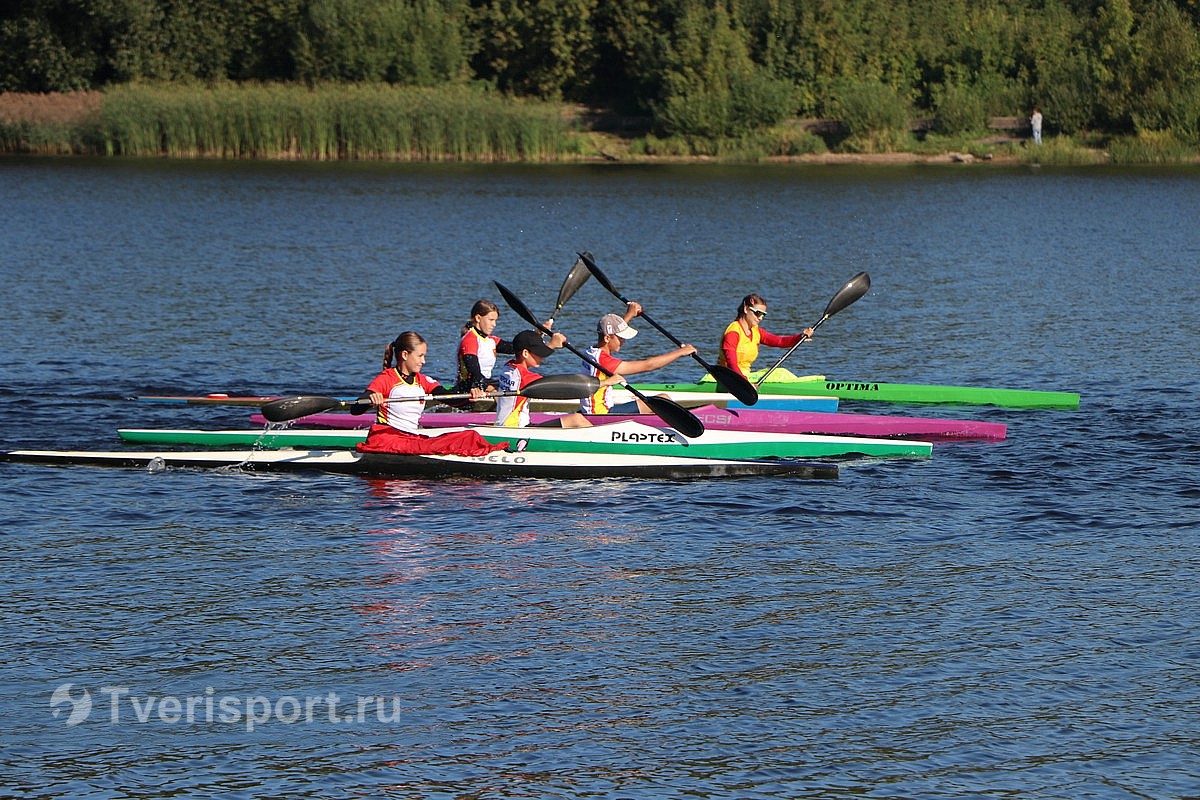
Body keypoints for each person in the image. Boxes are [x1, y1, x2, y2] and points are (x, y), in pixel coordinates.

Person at [356, 331, 509, 456]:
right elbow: (355, 409)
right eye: (420, 356)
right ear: (404, 355)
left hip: (411, 439)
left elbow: (451, 399)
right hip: (388, 440)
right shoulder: (387, 378)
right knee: (464, 440)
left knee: (470, 435)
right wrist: (371, 399)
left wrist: (470, 396)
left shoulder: (422, 380)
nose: (424, 361)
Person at [580, 314, 697, 415]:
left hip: (594, 410)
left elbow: (612, 333)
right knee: (663, 399)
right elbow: (649, 365)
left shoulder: (591, 351)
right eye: (621, 338)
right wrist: (681, 352)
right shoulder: (605, 361)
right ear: (607, 338)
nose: (623, 341)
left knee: (657, 402)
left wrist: (629, 315)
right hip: (601, 414)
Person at [455, 299, 565, 393]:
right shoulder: (470, 340)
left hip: (484, 383)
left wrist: (539, 333)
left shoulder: (490, 340)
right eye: (491, 320)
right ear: (478, 318)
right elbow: (474, 373)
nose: (494, 324)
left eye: (495, 320)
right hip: (469, 388)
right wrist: (491, 390)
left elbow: (516, 348)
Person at [495, 330, 591, 428]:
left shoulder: (508, 367)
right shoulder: (525, 378)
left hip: (504, 425)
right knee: (577, 419)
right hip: (517, 430)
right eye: (538, 352)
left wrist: (552, 345)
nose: (542, 357)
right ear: (525, 353)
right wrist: (604, 383)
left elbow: (525, 350)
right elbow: (559, 386)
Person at [717, 293, 814, 380]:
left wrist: (800, 336)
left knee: (781, 372)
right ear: (746, 309)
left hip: (744, 376)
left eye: (763, 315)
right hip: (727, 376)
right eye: (757, 313)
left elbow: (780, 341)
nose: (760, 318)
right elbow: (732, 363)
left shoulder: (756, 331)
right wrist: (744, 382)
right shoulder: (733, 333)